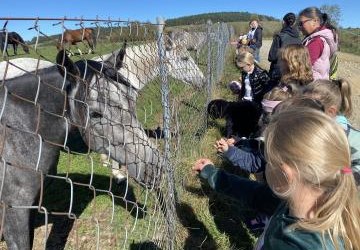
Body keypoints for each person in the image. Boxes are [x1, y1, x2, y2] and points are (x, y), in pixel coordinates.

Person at [193, 108, 360, 249]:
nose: (264, 164)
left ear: (285, 172)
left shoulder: (299, 245)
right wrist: (211, 173)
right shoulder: (293, 201)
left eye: (267, 160)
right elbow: (253, 193)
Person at [302, 79, 360, 185]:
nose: (303, 112)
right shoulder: (311, 128)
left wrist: (338, 179)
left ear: (331, 111)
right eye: (301, 104)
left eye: (309, 106)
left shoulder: (349, 138)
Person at [298, 7, 338, 80]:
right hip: (319, 85)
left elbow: (302, 70)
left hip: (311, 87)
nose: (299, 27)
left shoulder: (316, 41)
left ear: (315, 21)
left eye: (301, 23)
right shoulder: (322, 38)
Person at [268, 12, 302, 81]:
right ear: (294, 23)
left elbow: (271, 57)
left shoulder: (279, 36)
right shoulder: (299, 38)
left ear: (283, 22)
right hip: (293, 71)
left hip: (278, 71)